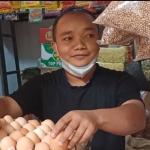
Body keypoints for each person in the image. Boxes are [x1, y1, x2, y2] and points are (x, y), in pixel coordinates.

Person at [0, 6, 146, 150]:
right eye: (68, 38)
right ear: (55, 48)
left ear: (99, 41)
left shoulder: (120, 81)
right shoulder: (43, 85)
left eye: (89, 36)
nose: (79, 45)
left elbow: (137, 118)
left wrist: (95, 118)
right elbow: (8, 105)